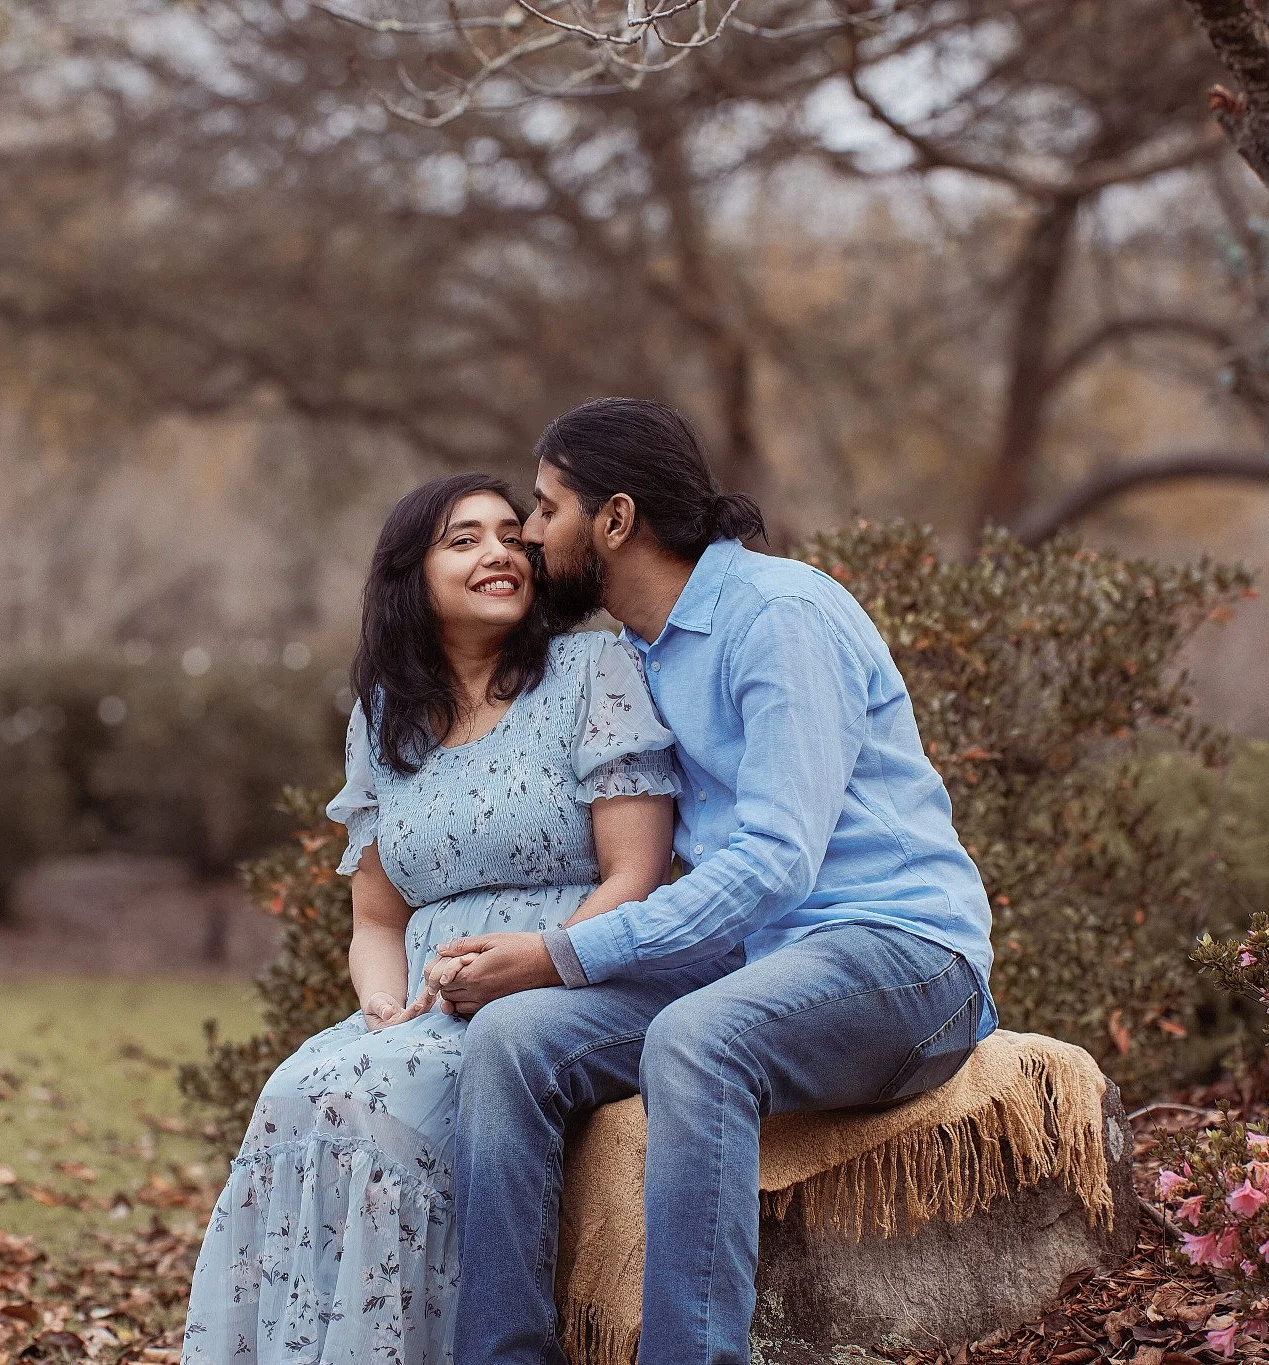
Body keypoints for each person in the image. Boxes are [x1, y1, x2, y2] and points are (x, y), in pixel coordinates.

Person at [428, 398, 1000, 1365]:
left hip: (904, 958)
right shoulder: (634, 656)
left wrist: (566, 950)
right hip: (756, 960)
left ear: (615, 521)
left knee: (697, 1039)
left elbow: (778, 861)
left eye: (545, 506)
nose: (527, 534)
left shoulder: (779, 616)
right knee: (513, 1038)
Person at [181, 472, 685, 1364]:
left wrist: (536, 958)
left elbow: (636, 876)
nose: (498, 551)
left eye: (508, 533)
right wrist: (381, 1006)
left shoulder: (593, 672)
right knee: (294, 1093)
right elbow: (375, 917)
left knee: (366, 1108)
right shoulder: (385, 722)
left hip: (564, 979)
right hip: (422, 1006)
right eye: (463, 540)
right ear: (410, 576)